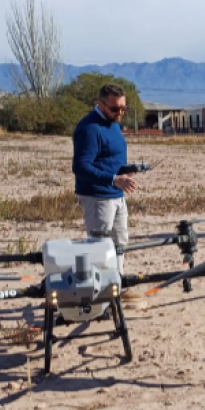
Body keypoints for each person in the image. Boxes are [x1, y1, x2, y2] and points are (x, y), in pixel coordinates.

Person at [72, 84, 137, 274]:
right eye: (115, 109)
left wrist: (126, 171)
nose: (120, 113)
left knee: (119, 243)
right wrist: (113, 179)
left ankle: (117, 283)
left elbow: (108, 159)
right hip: (98, 198)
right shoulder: (89, 128)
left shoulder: (113, 124)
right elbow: (81, 166)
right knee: (100, 246)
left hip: (117, 195)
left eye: (123, 108)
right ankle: (100, 292)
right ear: (100, 105)